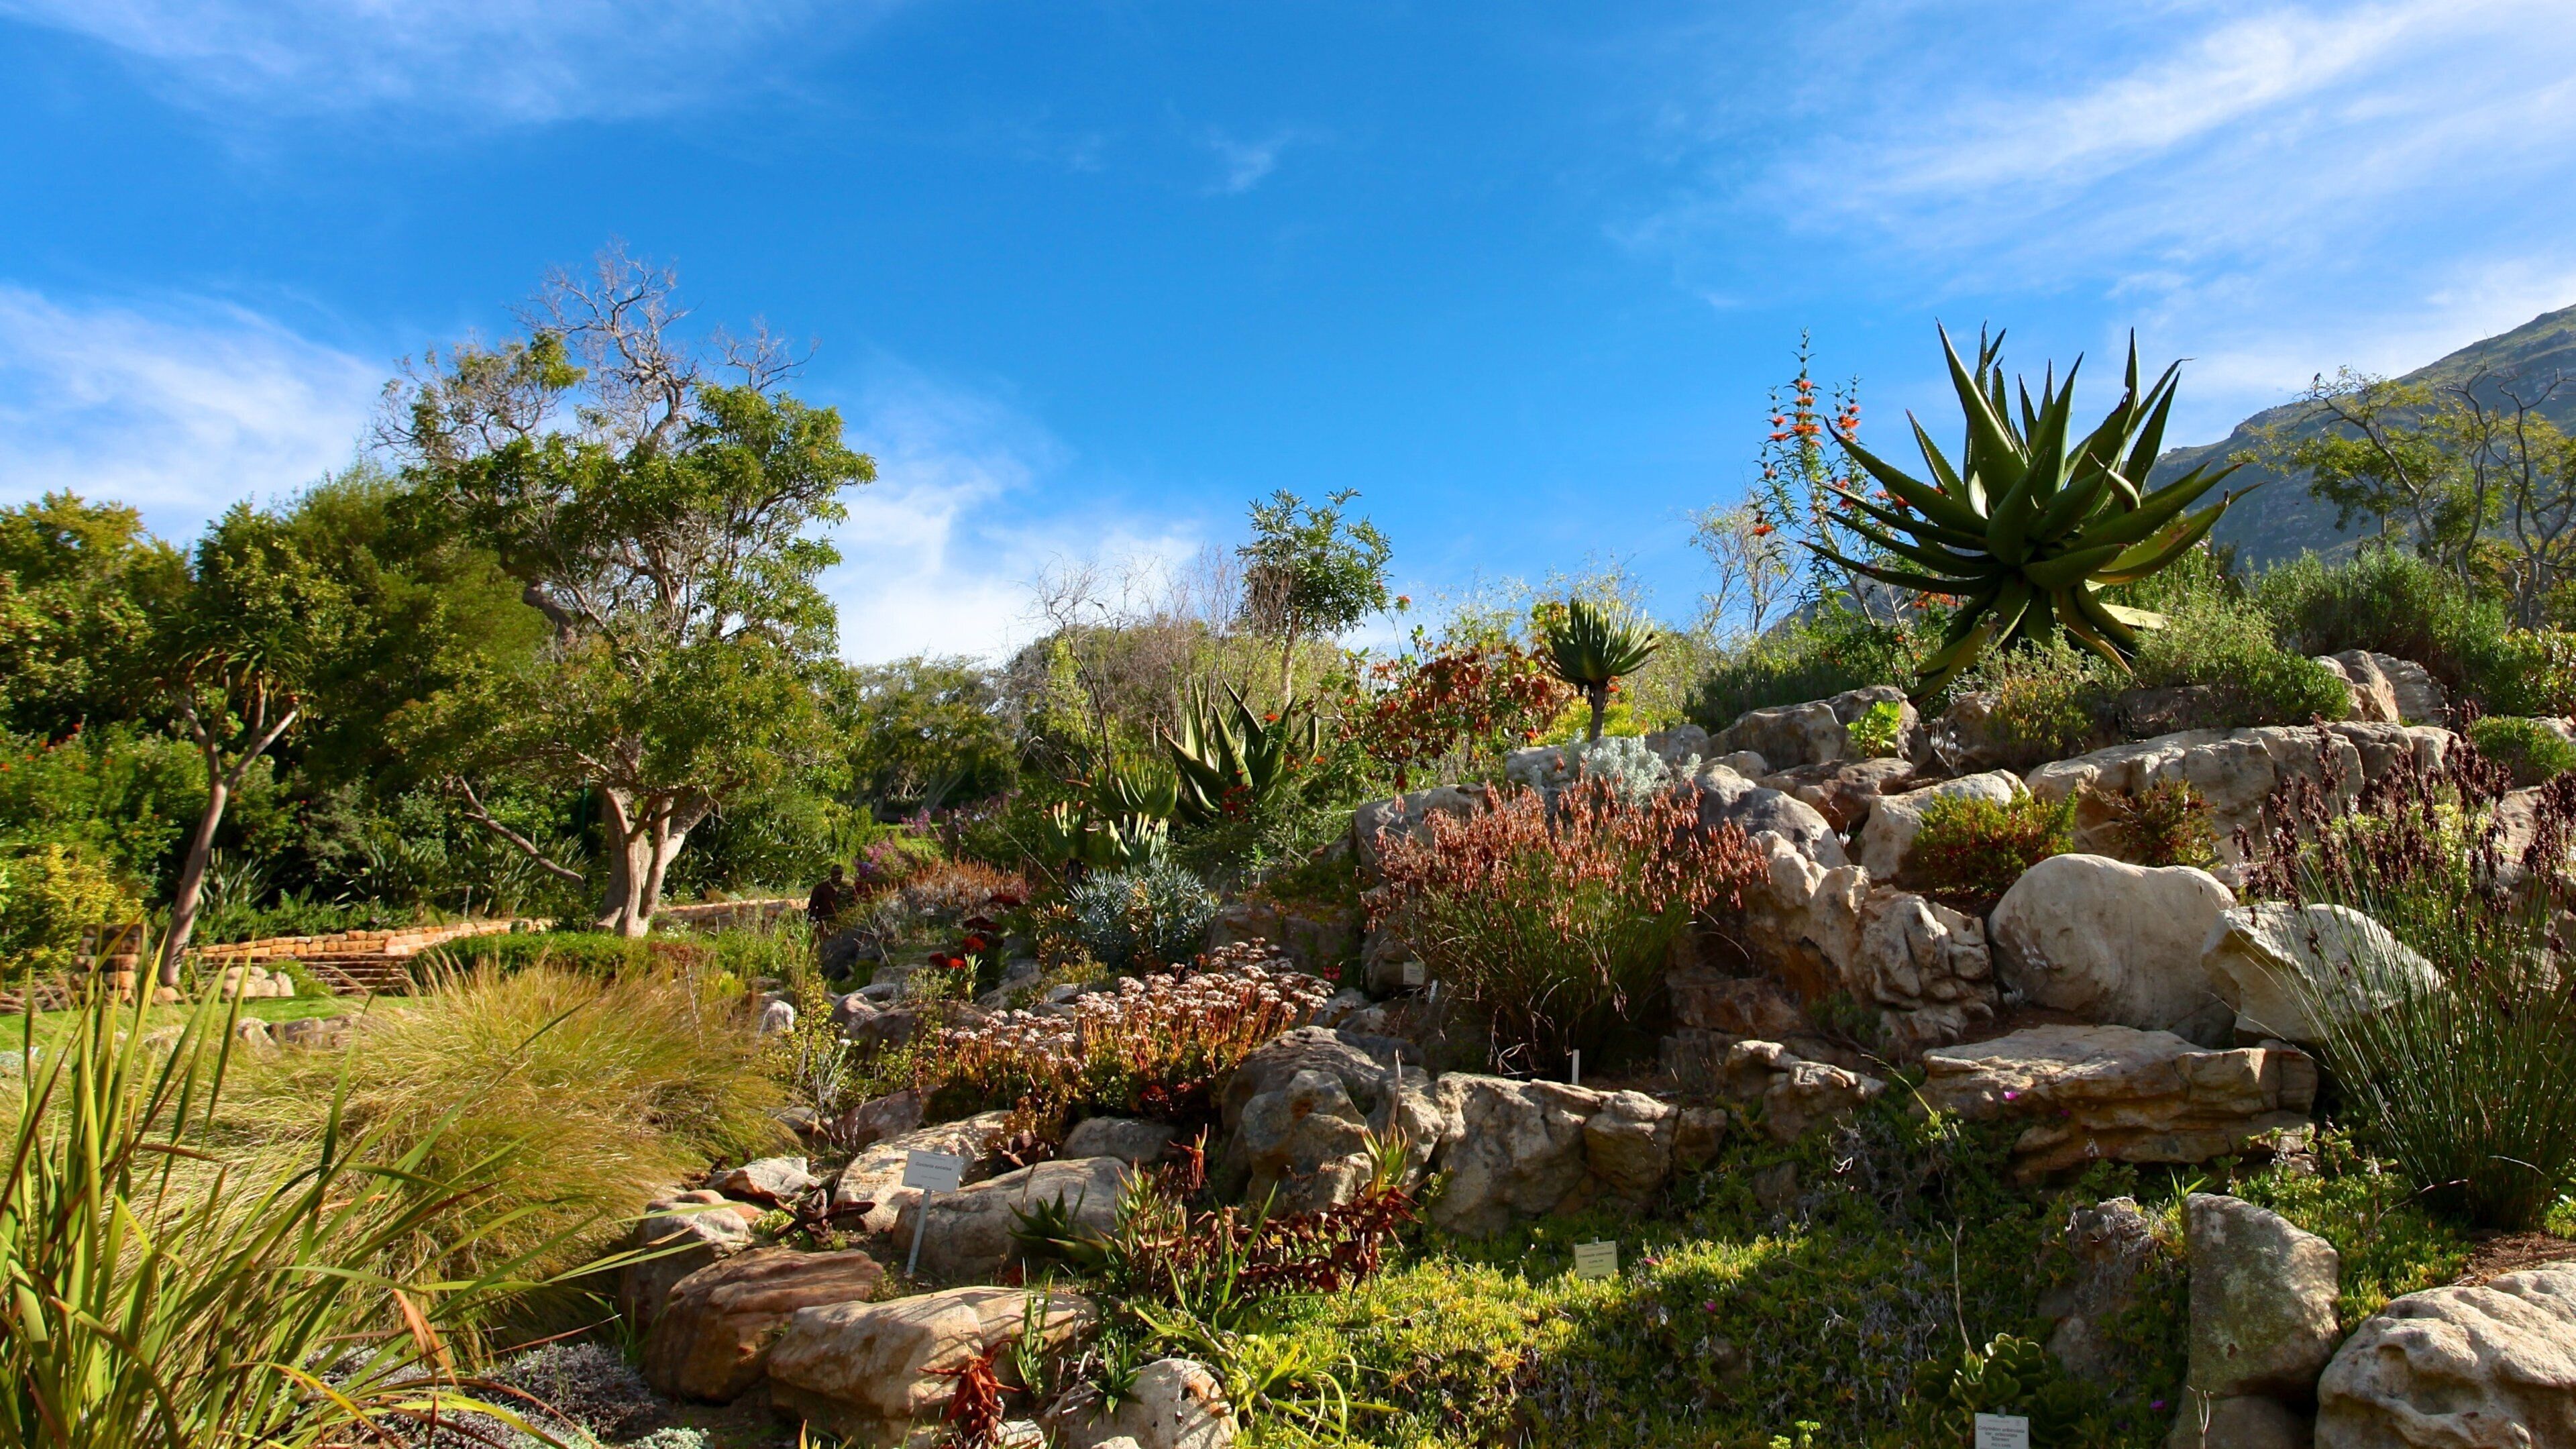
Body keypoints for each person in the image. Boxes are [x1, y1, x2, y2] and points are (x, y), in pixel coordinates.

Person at [807, 864, 848, 930]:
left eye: (839, 874)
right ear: (831, 874)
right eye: (835, 874)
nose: (837, 877)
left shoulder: (846, 889)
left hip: (842, 923)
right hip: (824, 921)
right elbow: (812, 906)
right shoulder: (820, 888)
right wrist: (812, 920)